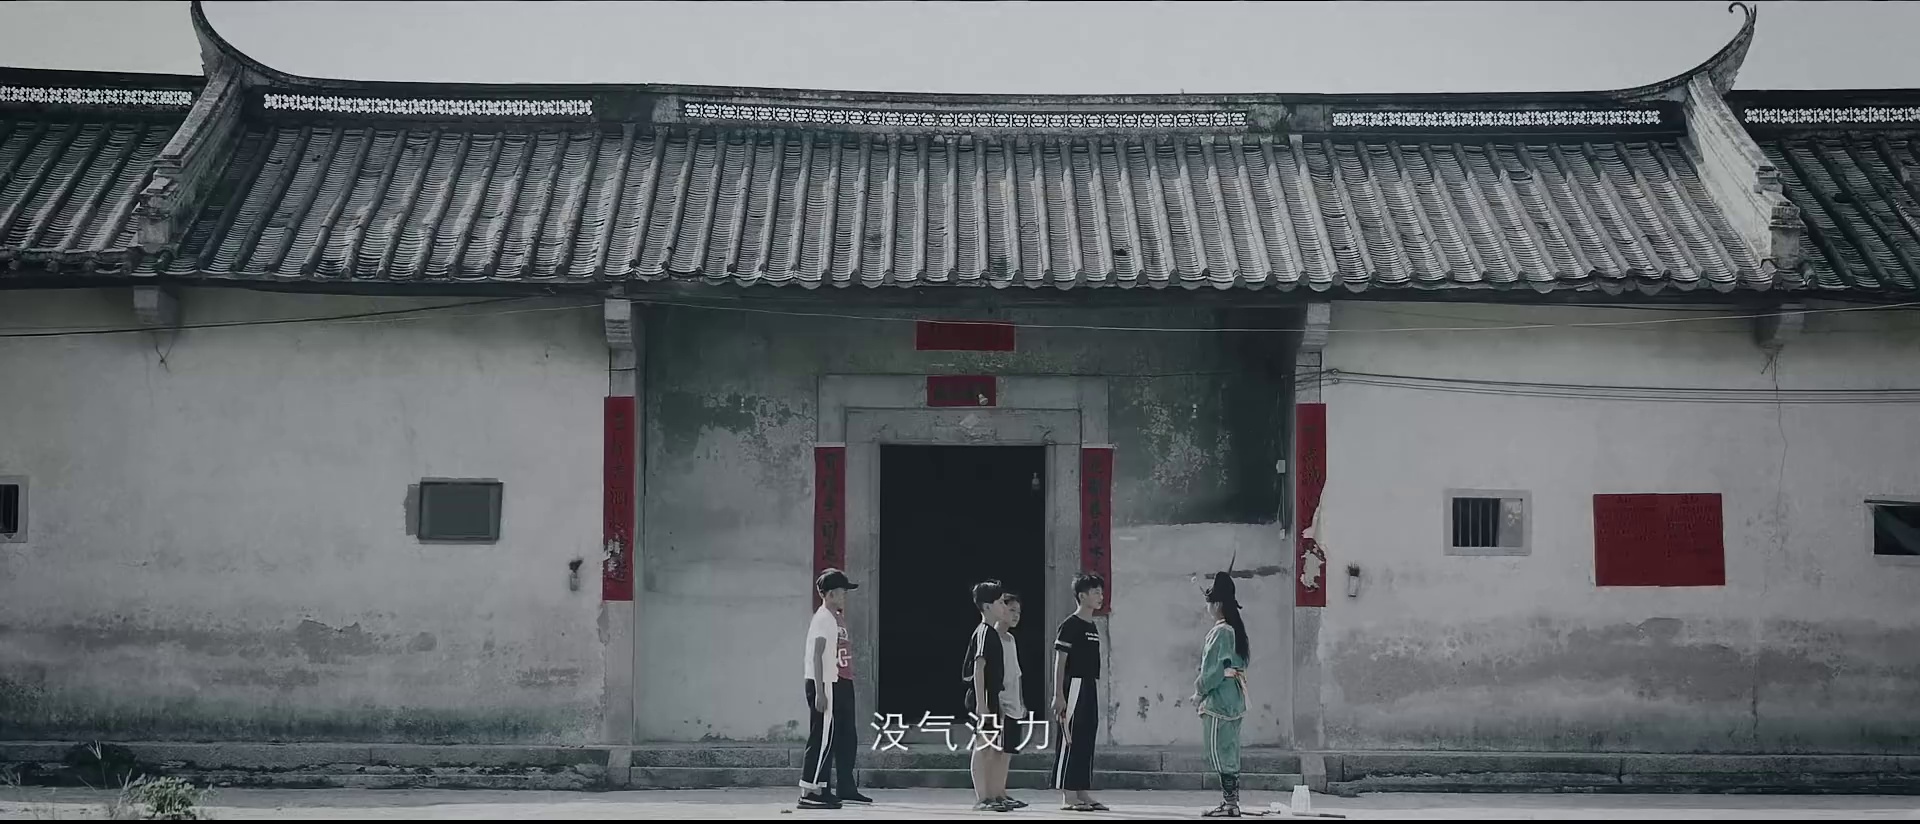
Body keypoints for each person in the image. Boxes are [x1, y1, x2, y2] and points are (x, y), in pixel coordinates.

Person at [798, 569, 872, 809]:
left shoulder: (834, 617)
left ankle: (831, 788)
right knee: (821, 737)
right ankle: (810, 791)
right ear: (829, 594)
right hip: (826, 682)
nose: (844, 596)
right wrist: (820, 691)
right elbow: (817, 655)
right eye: (841, 592)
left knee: (838, 737)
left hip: (838, 680)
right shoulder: (823, 618)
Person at [1192, 568, 1251, 818]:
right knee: (1230, 749)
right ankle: (1231, 802)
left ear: (1215, 604)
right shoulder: (1236, 629)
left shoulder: (1220, 632)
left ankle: (1229, 803)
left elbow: (1213, 670)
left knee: (1220, 751)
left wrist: (1199, 691)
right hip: (1234, 696)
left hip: (1220, 698)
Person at [1053, 573, 1107, 812]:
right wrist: (1058, 694)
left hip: (1088, 685)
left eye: (1101, 592)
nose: (1100, 597)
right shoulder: (1070, 625)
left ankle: (1082, 791)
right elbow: (1060, 661)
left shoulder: (1092, 625)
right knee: (1071, 737)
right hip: (1073, 685)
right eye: (1095, 592)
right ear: (1082, 596)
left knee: (1086, 736)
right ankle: (1068, 794)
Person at [962, 580, 1015, 812]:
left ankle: (993, 795)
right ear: (986, 606)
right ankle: (982, 798)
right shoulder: (984, 632)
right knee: (983, 746)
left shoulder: (992, 633)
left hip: (992, 696)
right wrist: (982, 705)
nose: (1004, 606)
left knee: (993, 747)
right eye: (1000, 602)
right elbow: (979, 667)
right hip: (982, 697)